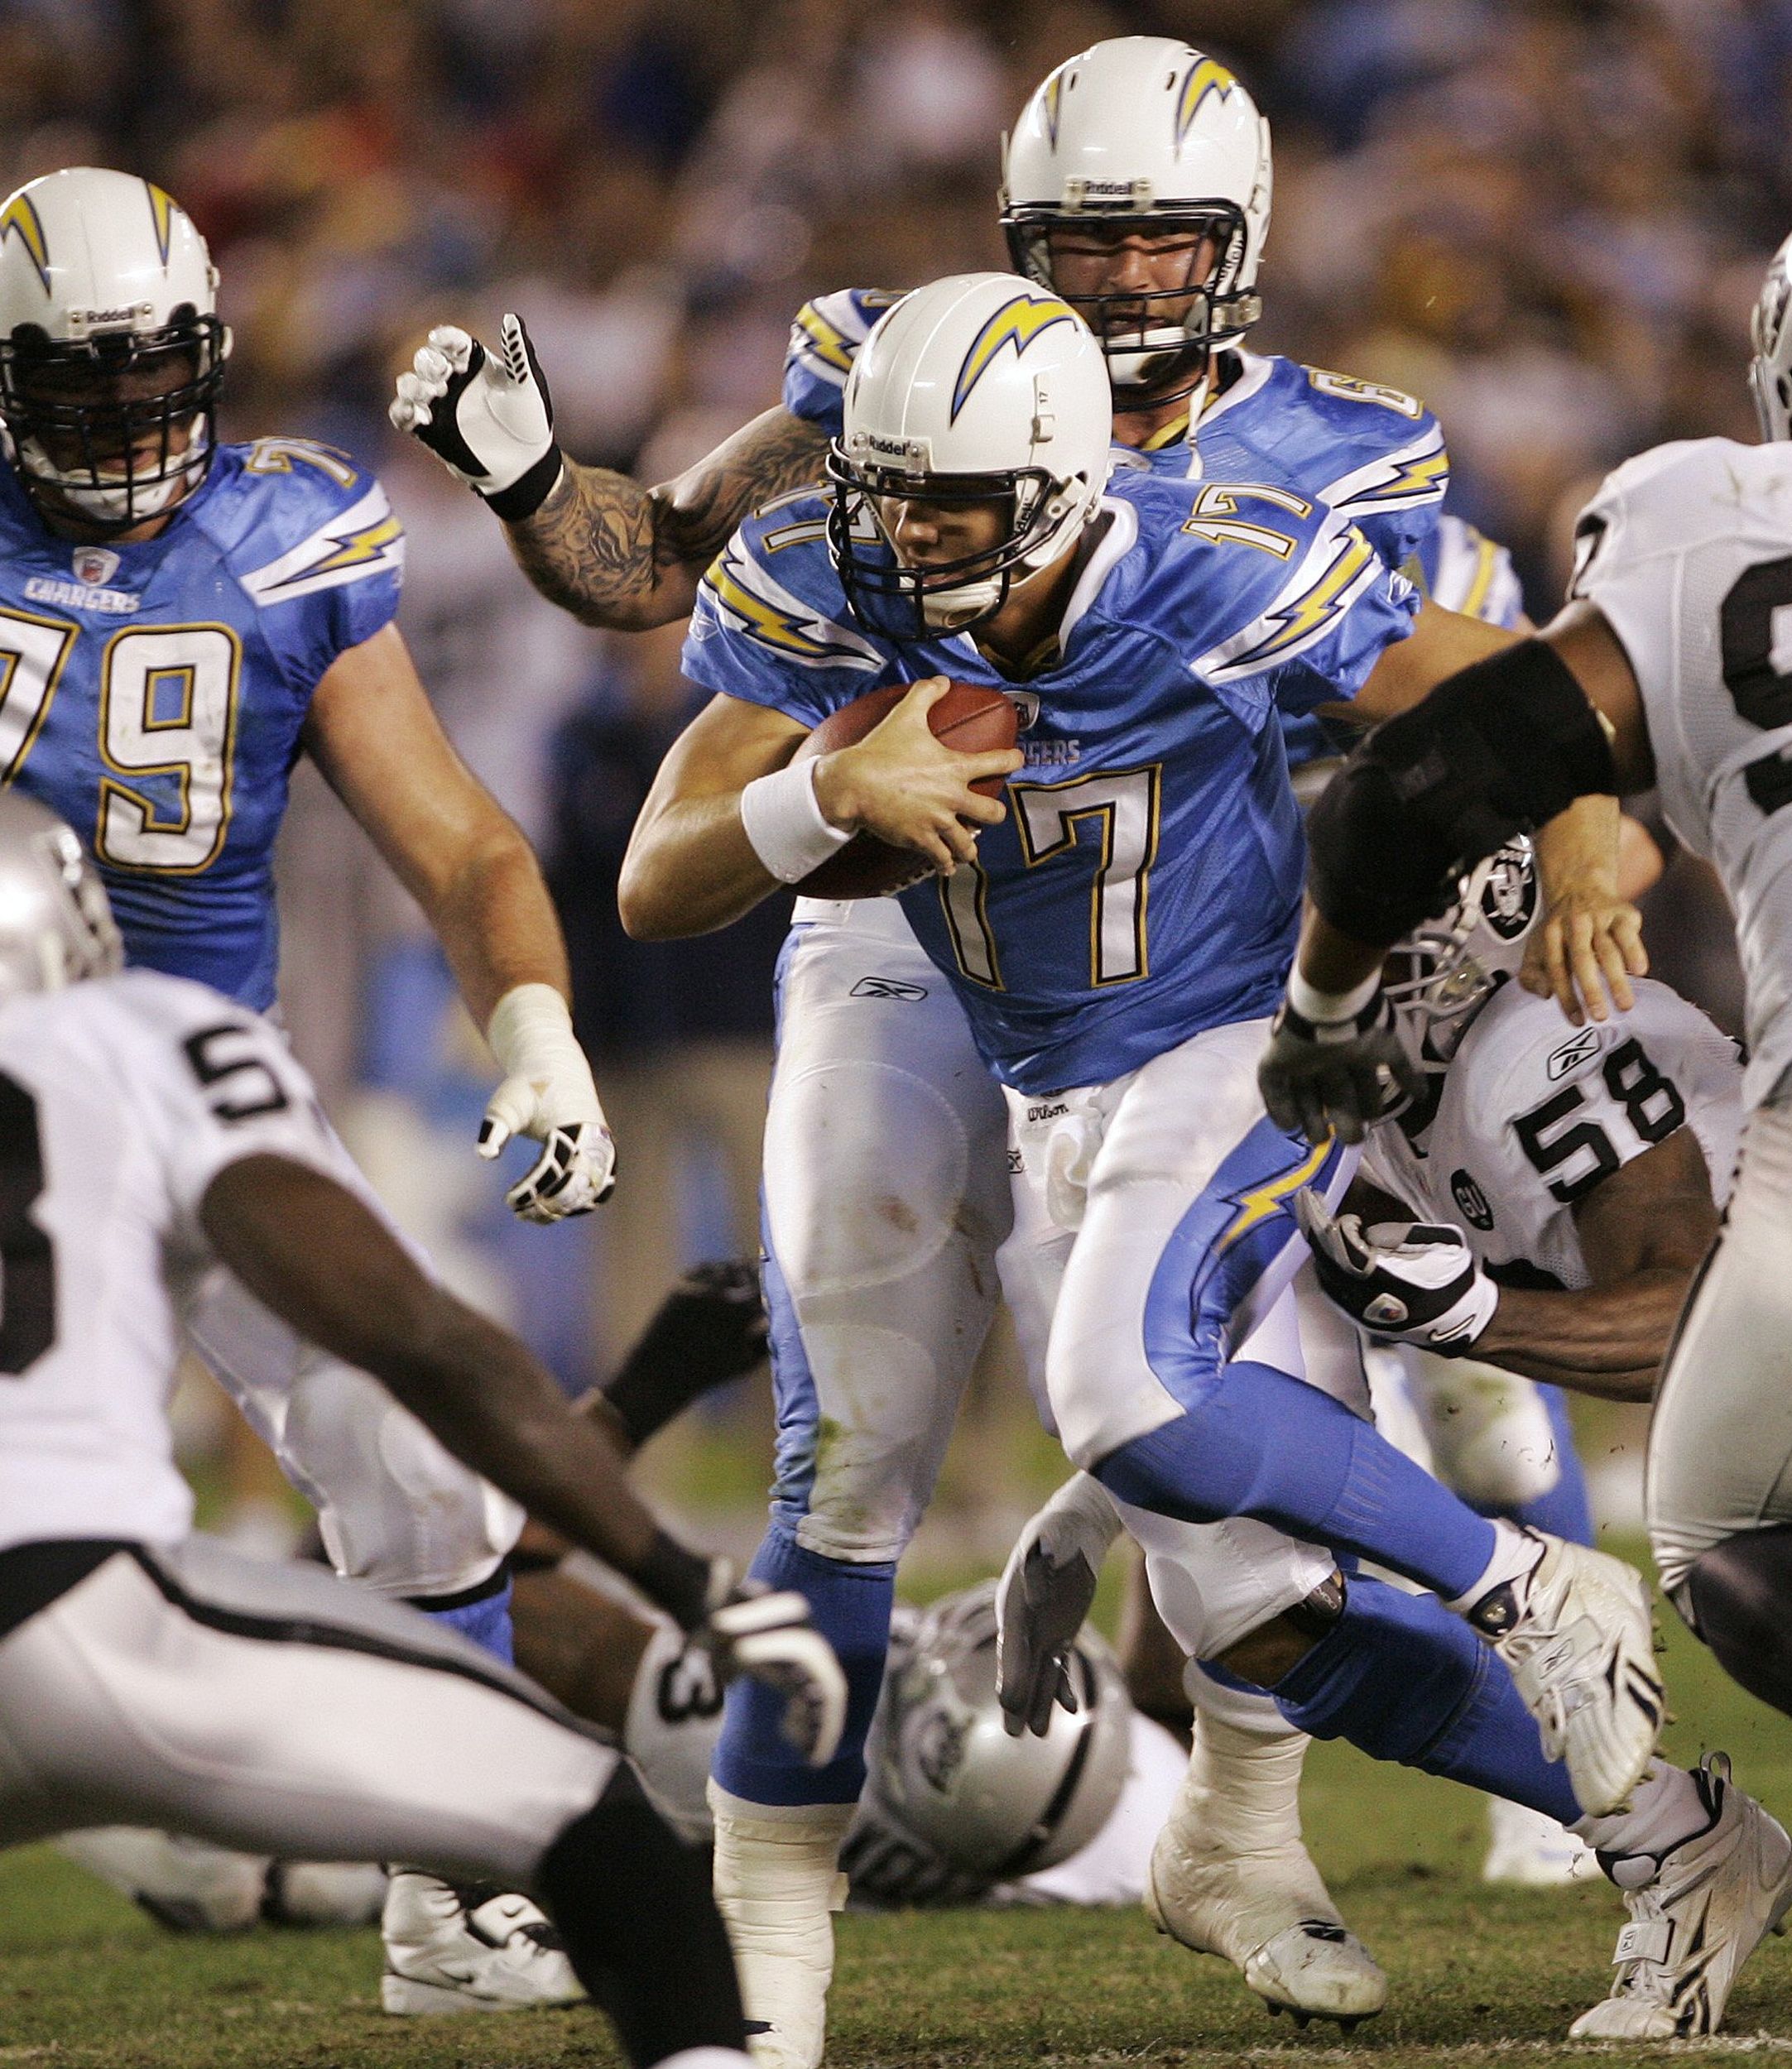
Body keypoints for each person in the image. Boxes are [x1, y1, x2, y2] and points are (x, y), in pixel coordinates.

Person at [388, 39, 1636, 2045]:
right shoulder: (886, 379)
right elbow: (660, 582)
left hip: (1179, 963)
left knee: (1226, 1466)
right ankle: (764, 1983)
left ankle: (1327, 1814)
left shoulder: (1328, 457)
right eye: (1081, 242)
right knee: (857, 1439)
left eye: (1159, 241)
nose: (1126, 281)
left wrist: (1547, 834)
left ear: (1231, 245)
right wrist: (545, 491)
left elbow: (1462, 678)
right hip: (899, 918)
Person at [617, 271, 1792, 2060]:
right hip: (1037, 1086)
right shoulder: (827, 578)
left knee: (1106, 1384)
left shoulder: (1214, 558)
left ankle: (1524, 1577)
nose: (895, 527)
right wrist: (819, 804)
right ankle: (1674, 1836)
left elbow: (1527, 694)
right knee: (1245, 1609)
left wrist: (1575, 837)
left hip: (1226, 1048)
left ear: (1058, 488)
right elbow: (657, 875)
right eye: (879, 484)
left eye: (944, 497)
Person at [1262, 181, 1792, 2066]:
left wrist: (1316, 1011)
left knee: (1727, 1516)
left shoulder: (1702, 510)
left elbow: (1411, 790)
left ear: (1790, 371)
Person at [0, 164, 618, 2007]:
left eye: (146, 376)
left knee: (414, 1448)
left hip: (204, 1081)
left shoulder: (287, 534)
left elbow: (462, 846)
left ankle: (448, 1890)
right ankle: (154, 1807)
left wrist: (533, 1027)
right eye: (76, 385)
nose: (121, 421)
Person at [0, 790, 847, 2069]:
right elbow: (415, 1340)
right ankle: (442, 1924)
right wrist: (681, 1576)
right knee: (601, 1833)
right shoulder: (144, 1035)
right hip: (79, 1617)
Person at [999, 838, 1792, 2038]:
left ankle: (1670, 1818)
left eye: (1367, 933)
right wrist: (1095, 1499)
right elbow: (1203, 1351)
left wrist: (1480, 1316)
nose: (1325, 958)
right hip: (1761, 1351)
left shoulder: (1539, 1055)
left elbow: (1710, 1318)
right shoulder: (1330, 1063)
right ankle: (1671, 1835)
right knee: (1259, 1603)